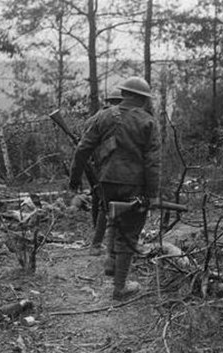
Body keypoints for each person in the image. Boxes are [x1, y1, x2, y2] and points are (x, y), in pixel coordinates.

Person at [69, 77, 161, 301]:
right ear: (141, 98)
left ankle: (111, 260)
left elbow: (83, 149)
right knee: (129, 233)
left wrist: (74, 180)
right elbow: (153, 162)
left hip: (106, 181)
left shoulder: (103, 116)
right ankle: (120, 288)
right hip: (134, 185)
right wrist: (153, 195)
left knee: (111, 216)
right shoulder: (147, 122)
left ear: (124, 94)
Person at [88, 89, 124, 256]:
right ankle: (100, 244)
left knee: (101, 203)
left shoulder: (95, 117)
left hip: (97, 166)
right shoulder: (116, 118)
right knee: (106, 205)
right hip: (109, 168)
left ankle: (98, 243)